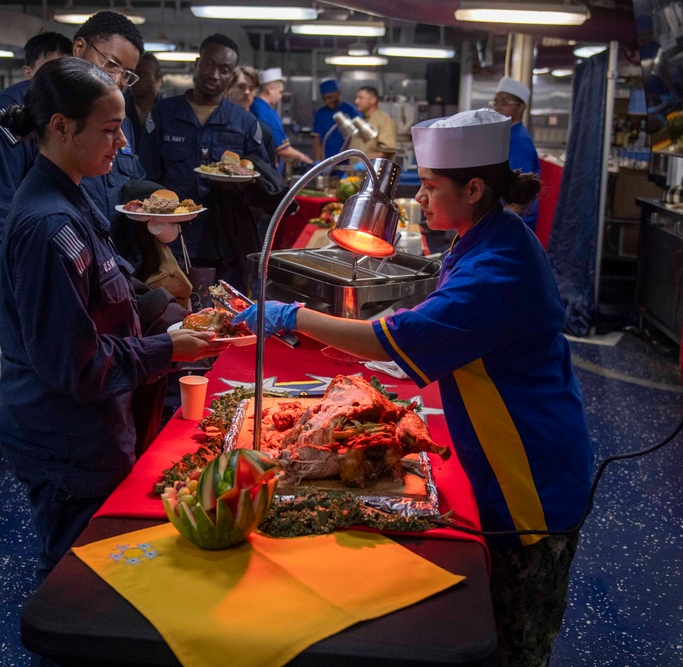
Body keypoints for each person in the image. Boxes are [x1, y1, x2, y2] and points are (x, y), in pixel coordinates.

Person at [235, 108, 594, 667]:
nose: (420, 200)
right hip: (521, 438)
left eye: (429, 188)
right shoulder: (487, 234)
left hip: (530, 472)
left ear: (474, 187)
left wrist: (294, 316)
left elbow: (394, 337)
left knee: (512, 639)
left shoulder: (497, 268)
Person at [0, 57, 228, 585]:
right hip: (64, 436)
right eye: (110, 129)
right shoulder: (49, 226)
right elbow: (74, 365)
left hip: (91, 425)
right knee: (76, 581)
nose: (122, 144)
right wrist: (169, 350)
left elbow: (108, 288)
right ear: (60, 127)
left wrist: (165, 322)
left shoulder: (68, 197)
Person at [0, 12, 146, 323]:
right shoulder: (19, 110)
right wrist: (9, 308)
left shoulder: (118, 121)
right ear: (79, 48)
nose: (117, 80)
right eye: (111, 64)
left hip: (100, 285)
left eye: (128, 75)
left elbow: (126, 188)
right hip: (46, 287)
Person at [139, 33, 270, 276]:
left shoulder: (245, 124)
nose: (214, 74)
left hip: (225, 243)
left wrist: (242, 186)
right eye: (209, 64)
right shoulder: (163, 114)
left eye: (224, 69)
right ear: (197, 63)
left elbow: (261, 180)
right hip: (171, 239)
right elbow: (145, 177)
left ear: (231, 75)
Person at [0, 32, 72, 320]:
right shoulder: (9, 111)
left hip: (53, 254)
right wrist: (2, 272)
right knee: (23, 347)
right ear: (29, 72)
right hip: (14, 255)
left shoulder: (71, 106)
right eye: (50, 67)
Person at [490, 77, 540, 232]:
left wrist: (500, 225)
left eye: (504, 103)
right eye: (495, 102)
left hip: (515, 223)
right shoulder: (507, 135)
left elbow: (520, 195)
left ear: (520, 107)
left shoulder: (519, 140)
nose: (498, 107)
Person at [250, 67, 313, 171]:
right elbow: (283, 150)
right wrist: (307, 160)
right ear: (270, 89)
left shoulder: (256, 106)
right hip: (265, 170)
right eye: (280, 92)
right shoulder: (265, 113)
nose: (280, 96)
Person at [311, 79, 361, 162]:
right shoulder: (321, 114)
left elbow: (358, 139)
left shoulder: (351, 111)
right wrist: (318, 161)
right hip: (327, 161)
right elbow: (317, 139)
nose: (327, 101)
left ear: (339, 93)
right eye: (324, 98)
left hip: (346, 160)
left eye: (330, 97)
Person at [124, 52, 163, 150]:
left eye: (140, 74)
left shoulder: (168, 112)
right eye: (131, 73)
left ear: (157, 77)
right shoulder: (119, 108)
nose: (133, 78)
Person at [347, 86, 397, 160]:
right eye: (356, 98)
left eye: (361, 98)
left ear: (373, 100)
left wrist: (367, 162)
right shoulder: (362, 121)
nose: (356, 101)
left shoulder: (384, 120)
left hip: (372, 171)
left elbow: (388, 150)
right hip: (356, 171)